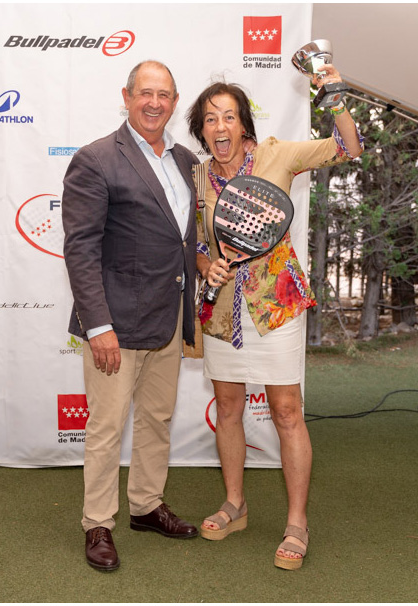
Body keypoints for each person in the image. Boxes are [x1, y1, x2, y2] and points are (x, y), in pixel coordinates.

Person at [185, 65, 364, 570]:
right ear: (201, 130)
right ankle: (235, 504)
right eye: (210, 119)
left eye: (229, 116)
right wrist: (205, 264)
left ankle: (297, 522)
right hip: (223, 309)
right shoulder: (197, 176)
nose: (220, 126)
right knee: (227, 408)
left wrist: (333, 96)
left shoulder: (277, 155)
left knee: (286, 412)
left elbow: (348, 148)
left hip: (277, 305)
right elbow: (195, 243)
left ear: (244, 124)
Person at [62, 60, 200, 572]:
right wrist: (98, 325)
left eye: (164, 95)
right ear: (127, 97)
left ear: (175, 102)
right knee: (106, 427)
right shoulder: (96, 159)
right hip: (115, 323)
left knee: (157, 419)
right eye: (145, 93)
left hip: (169, 317)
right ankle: (97, 523)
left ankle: (145, 505)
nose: (154, 103)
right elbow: (80, 248)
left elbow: (183, 238)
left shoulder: (186, 160)